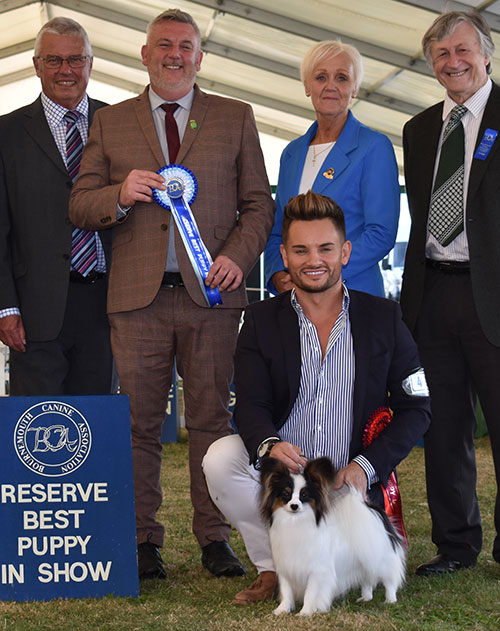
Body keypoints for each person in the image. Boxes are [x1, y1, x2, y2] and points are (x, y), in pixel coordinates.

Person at [69, 9, 274, 581]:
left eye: (186, 45)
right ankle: (141, 542)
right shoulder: (111, 122)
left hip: (211, 296)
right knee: (138, 424)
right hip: (137, 300)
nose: (175, 54)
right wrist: (119, 191)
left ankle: (214, 538)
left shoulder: (235, 116)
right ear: (144, 53)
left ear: (200, 56)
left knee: (212, 420)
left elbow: (259, 203)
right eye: (164, 44)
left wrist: (235, 256)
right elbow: (80, 204)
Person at [203, 190, 431, 604]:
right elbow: (250, 404)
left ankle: (329, 562)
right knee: (219, 458)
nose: (314, 260)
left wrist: (365, 467)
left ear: (344, 251)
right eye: (301, 250)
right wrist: (270, 444)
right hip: (286, 479)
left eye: (326, 248)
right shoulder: (258, 321)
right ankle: (274, 566)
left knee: (351, 543)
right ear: (285, 256)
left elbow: (416, 409)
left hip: (347, 481)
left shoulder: (385, 318)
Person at [400, 10, 500, 576]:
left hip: (495, 297)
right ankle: (456, 546)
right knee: (443, 432)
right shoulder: (417, 129)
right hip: (433, 295)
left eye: (463, 50)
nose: (453, 61)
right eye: (441, 54)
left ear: (486, 54)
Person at [0, 17, 113, 395]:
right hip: (34, 311)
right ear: (36, 66)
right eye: (53, 60)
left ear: (91, 64)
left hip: (107, 304)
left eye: (76, 59)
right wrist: (5, 308)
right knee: (37, 434)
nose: (66, 70)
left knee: (97, 430)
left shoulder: (120, 124)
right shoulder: (6, 134)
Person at [264, 40, 400, 298]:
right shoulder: (291, 154)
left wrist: (319, 274)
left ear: (355, 88)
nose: (330, 86)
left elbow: (381, 233)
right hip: (296, 299)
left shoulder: (374, 147)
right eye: (320, 77)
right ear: (307, 86)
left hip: (354, 294)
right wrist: (277, 274)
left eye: (341, 78)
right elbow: (277, 230)